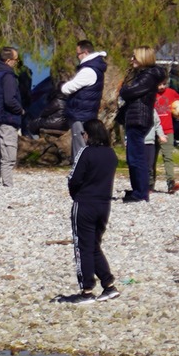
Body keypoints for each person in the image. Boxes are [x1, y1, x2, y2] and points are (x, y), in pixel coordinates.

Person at [63, 120, 120, 304]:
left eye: (84, 133)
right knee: (94, 245)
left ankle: (86, 290)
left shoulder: (86, 152)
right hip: (104, 204)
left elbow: (74, 179)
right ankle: (109, 285)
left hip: (85, 203)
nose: (83, 137)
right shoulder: (111, 154)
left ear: (89, 134)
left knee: (83, 247)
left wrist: (76, 196)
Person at [116, 46, 163, 203]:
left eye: (134, 57)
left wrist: (124, 89)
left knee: (136, 156)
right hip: (135, 117)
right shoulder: (143, 75)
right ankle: (137, 188)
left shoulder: (148, 76)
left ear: (143, 58)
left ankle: (141, 192)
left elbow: (129, 92)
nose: (131, 60)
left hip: (139, 117)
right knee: (133, 156)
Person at [61, 40, 108, 166]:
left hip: (81, 113)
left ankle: (79, 170)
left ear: (85, 52)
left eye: (78, 54)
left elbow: (68, 88)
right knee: (82, 144)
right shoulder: (96, 68)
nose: (77, 57)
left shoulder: (88, 70)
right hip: (87, 112)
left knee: (80, 146)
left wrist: (63, 86)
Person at [0, 48, 23, 187]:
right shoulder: (8, 76)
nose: (16, 63)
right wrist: (20, 110)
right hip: (7, 119)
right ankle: (7, 185)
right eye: (15, 60)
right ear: (8, 60)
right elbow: (9, 100)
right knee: (8, 156)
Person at [154, 81, 179, 193]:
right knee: (151, 159)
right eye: (159, 84)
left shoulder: (171, 93)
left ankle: (171, 183)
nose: (161, 87)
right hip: (152, 131)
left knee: (168, 157)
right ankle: (149, 184)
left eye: (164, 84)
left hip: (167, 130)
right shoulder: (150, 93)